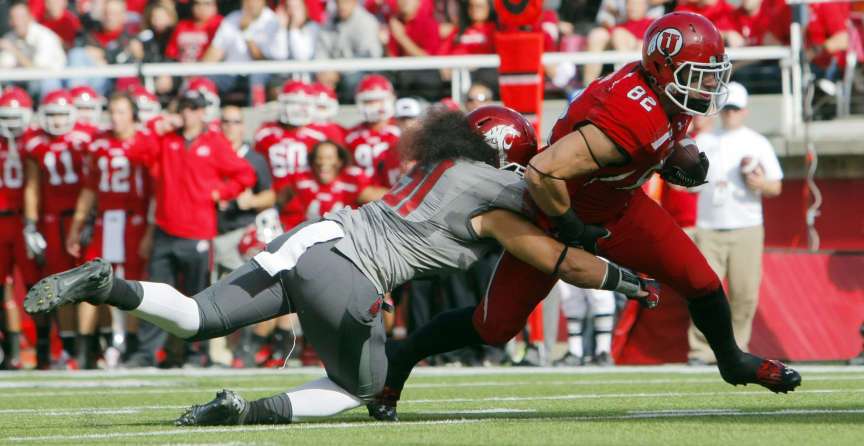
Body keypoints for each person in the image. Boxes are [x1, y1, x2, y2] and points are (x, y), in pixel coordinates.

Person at [25, 106, 654, 424]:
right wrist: (625, 278)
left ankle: (108, 284)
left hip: (313, 236)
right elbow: (557, 257)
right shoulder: (498, 198)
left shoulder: (438, 167)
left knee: (195, 317)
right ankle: (248, 412)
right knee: (359, 388)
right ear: (507, 156)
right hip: (352, 272)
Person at [371, 12, 800, 421]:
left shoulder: (664, 91)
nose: (707, 86)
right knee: (494, 326)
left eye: (710, 75)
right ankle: (401, 358)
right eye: (697, 75)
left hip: (619, 205)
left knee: (701, 280)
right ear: (663, 69)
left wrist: (672, 158)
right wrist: (570, 225)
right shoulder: (634, 112)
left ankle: (731, 361)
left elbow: (642, 148)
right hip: (554, 214)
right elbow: (544, 171)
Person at [122, 89, 256, 368]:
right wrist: (156, 127)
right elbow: (135, 153)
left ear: (202, 112)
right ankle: (147, 353)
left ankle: (196, 354)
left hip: (198, 232)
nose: (188, 113)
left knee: (197, 297)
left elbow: (245, 174)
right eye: (184, 107)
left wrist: (222, 193)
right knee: (156, 294)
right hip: (165, 229)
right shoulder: (167, 138)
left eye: (194, 108)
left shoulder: (214, 142)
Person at [688, 82, 783, 365]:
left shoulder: (757, 142)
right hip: (709, 226)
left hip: (746, 226)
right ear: (720, 110)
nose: (730, 114)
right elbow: (687, 184)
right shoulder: (704, 141)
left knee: (744, 293)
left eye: (735, 109)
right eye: (727, 109)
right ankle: (701, 350)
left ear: (745, 111)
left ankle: (737, 349)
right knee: (704, 291)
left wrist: (759, 183)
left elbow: (776, 186)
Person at [64, 92, 154, 369]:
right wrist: (76, 226)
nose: (115, 118)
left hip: (134, 221)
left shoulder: (146, 143)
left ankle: (131, 346)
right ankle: (85, 349)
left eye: (121, 112)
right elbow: (89, 189)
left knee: (135, 285)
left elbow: (156, 191)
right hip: (105, 220)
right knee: (92, 281)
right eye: (112, 111)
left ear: (133, 115)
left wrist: (151, 230)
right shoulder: (99, 144)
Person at [23, 89, 93, 369]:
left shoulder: (87, 138)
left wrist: (91, 216)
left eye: (62, 114)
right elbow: (32, 186)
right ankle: (69, 347)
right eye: (51, 114)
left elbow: (94, 182)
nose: (57, 120)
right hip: (52, 220)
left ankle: (92, 347)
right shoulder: (36, 143)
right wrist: (31, 224)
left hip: (81, 217)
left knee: (90, 282)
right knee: (60, 284)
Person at [0, 86, 39, 370]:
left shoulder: (34, 143)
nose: (12, 123)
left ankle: (45, 349)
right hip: (4, 220)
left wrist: (34, 221)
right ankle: (12, 352)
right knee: (4, 288)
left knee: (38, 287)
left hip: (25, 221)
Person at [203, 0, 288, 104]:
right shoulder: (232, 18)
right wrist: (198, 72)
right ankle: (203, 110)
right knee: (206, 79)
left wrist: (246, 32)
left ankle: (257, 109)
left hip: (259, 75)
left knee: (257, 75)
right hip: (231, 74)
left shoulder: (272, 21)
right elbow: (215, 52)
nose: (251, 4)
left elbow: (262, 60)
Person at [314, 0, 383, 98]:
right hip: (332, 74)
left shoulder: (367, 21)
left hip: (358, 74)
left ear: (354, 2)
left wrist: (338, 71)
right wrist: (324, 70)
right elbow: (321, 51)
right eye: (338, 2)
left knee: (351, 80)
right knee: (318, 81)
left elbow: (367, 56)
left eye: (346, 2)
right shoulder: (328, 22)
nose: (342, 6)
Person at [345, 75, 401, 189]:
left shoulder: (403, 130)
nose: (374, 106)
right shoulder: (351, 136)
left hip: (399, 192)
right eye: (368, 101)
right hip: (364, 195)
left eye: (379, 100)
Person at [0, 1, 65, 97]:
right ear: (10, 21)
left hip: (51, 81)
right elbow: (4, 66)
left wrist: (14, 51)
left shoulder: (44, 37)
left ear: (30, 18)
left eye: (21, 17)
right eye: (14, 18)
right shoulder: (10, 38)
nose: (18, 22)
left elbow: (38, 71)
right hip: (23, 81)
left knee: (46, 83)